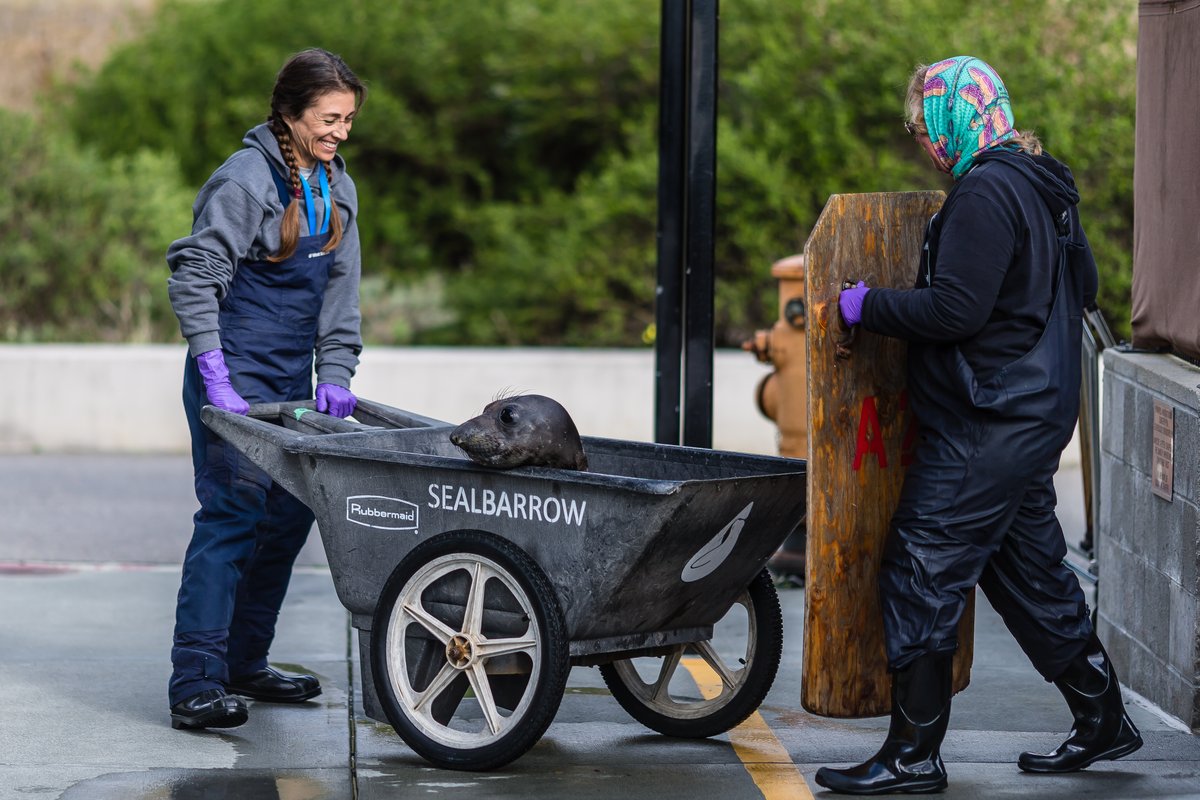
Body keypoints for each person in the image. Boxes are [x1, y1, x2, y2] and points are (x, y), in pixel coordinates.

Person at [814, 56, 1142, 794]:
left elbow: (956, 310)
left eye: (925, 128)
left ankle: (911, 756)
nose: (926, 144)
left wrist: (867, 306)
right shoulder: (1044, 182)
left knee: (921, 563)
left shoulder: (987, 191)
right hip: (1036, 409)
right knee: (1025, 572)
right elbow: (1084, 286)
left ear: (952, 120)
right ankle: (1102, 719)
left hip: (988, 417)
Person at [164, 48, 366, 731]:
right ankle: (195, 681)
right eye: (329, 118)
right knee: (232, 517)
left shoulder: (338, 186)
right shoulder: (247, 179)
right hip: (235, 373)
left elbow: (342, 296)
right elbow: (196, 275)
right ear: (291, 112)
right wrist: (214, 372)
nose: (341, 131)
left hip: (291, 381)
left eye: (348, 120)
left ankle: (244, 663)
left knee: (287, 520)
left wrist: (335, 373)